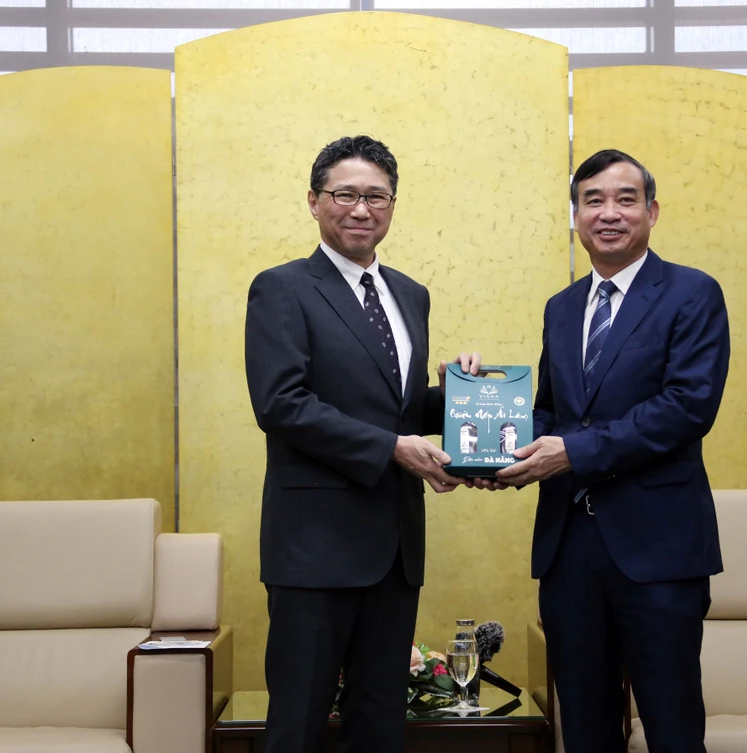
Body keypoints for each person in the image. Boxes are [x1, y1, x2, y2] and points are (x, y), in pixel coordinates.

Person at [244, 135, 479, 753]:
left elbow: (397, 408)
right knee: (297, 723)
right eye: (344, 194)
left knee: (378, 724)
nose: (360, 208)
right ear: (315, 203)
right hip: (314, 547)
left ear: (393, 205)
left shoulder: (410, 294)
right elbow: (281, 404)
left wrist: (461, 396)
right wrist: (393, 449)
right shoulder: (282, 288)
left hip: (395, 546)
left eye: (376, 196)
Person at [496, 149, 730, 753]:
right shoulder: (563, 306)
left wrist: (570, 453)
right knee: (586, 725)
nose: (609, 213)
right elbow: (550, 408)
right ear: (574, 215)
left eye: (625, 199)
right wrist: (500, 446)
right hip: (569, 548)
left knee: (672, 725)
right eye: (592, 200)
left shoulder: (692, 293)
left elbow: (685, 408)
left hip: (658, 550)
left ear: (651, 211)